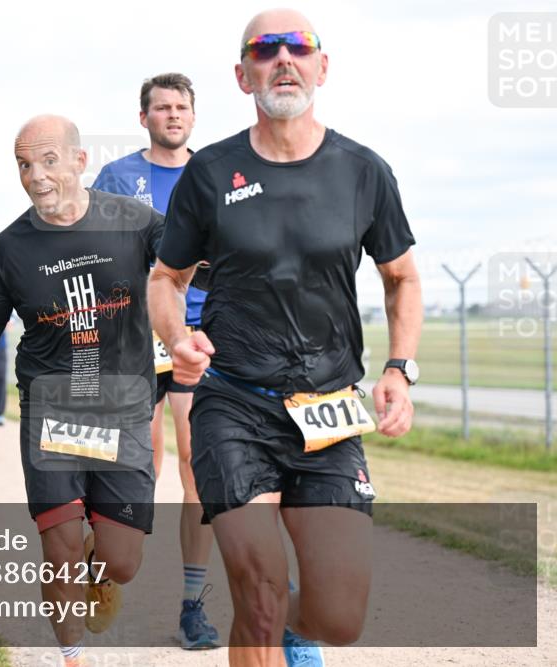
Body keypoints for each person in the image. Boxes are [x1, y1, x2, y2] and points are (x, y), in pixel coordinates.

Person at [149, 9, 423, 667]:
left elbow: (402, 279)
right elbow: (166, 277)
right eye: (264, 50)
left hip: (329, 409)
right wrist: (178, 334)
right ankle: (263, 606)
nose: (282, 59)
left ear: (322, 67)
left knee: (338, 616)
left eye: (297, 47)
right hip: (234, 405)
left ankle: (277, 616)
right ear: (243, 75)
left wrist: (399, 367)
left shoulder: (363, 171)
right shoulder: (212, 172)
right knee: (262, 588)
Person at [0, 115, 164, 667]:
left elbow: (196, 265)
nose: (35, 176)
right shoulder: (10, 248)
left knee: (122, 562)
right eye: (24, 165)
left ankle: (103, 565)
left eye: (48, 161)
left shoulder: (136, 222)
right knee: (59, 547)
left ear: (78, 161)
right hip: (52, 410)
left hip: (123, 406)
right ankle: (71, 657)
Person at [92, 72, 222, 651]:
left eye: (182, 107)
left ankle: (193, 604)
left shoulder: (220, 173)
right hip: (134, 337)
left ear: (194, 116)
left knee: (200, 465)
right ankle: (105, 561)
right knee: (140, 463)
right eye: (162, 107)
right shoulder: (118, 177)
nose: (173, 115)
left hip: (199, 336)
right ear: (143, 117)